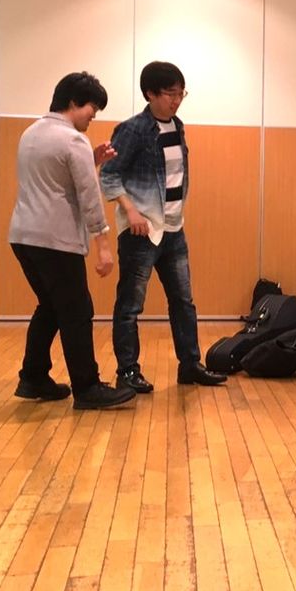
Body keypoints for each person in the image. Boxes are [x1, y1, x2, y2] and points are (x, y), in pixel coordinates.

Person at [7, 71, 136, 410]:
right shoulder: (72, 140)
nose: (93, 117)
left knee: (51, 307)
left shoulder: (32, 133)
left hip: (23, 236)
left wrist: (91, 161)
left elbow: (55, 177)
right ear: (75, 102)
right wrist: (103, 245)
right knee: (77, 310)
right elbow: (88, 195)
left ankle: (33, 377)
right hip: (55, 240)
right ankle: (87, 387)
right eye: (92, 109)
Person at [99, 62, 226, 390]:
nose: (176, 100)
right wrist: (131, 211)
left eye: (181, 93)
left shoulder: (178, 126)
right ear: (150, 94)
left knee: (183, 301)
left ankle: (190, 365)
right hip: (141, 232)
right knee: (130, 305)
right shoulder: (133, 130)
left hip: (173, 229)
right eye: (170, 94)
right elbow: (109, 175)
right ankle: (128, 371)